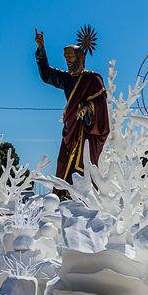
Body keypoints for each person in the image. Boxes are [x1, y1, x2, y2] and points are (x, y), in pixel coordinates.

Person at [34, 27, 109, 196]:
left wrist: (87, 108)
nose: (67, 60)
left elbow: (100, 103)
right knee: (64, 162)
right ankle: (64, 195)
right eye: (65, 57)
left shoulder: (93, 78)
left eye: (70, 56)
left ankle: (81, 196)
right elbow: (47, 75)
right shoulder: (67, 79)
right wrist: (41, 49)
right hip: (71, 127)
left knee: (83, 160)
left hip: (86, 129)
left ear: (80, 57)